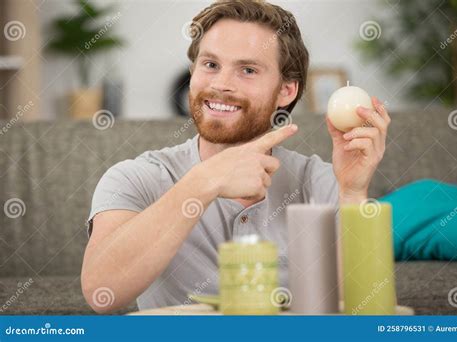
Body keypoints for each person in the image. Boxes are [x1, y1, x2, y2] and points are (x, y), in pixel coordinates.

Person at [81, 0, 391, 313]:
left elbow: (363, 310)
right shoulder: (136, 178)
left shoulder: (323, 183)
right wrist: (205, 181)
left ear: (286, 91)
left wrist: (352, 192)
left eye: (248, 70)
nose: (221, 85)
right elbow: (102, 294)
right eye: (210, 65)